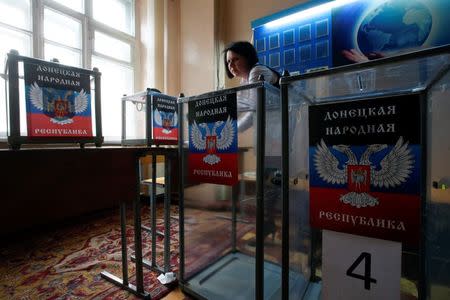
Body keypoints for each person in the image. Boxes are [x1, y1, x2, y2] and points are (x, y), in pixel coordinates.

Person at [223, 41, 280, 246]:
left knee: (269, 185)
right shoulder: (246, 81)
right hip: (267, 136)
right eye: (228, 62)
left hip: (278, 137)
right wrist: (229, 131)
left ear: (248, 56)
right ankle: (268, 224)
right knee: (266, 184)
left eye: (236, 59)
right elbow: (250, 116)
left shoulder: (257, 72)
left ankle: (269, 225)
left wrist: (227, 126)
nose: (231, 65)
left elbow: (253, 109)